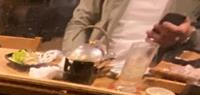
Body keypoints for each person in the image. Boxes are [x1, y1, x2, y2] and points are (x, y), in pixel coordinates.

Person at [63, 0, 200, 64]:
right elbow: (81, 21)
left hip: (154, 83)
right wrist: (73, 61)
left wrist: (188, 36)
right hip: (97, 70)